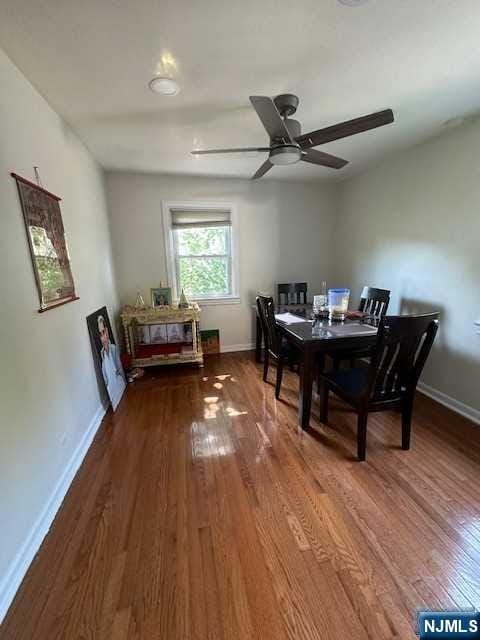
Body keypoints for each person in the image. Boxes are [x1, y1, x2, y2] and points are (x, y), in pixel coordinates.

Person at [97, 315, 126, 410]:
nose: (103, 337)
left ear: (107, 331)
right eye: (100, 334)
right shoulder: (102, 356)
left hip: (119, 384)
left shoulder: (113, 348)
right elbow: (106, 380)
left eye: (103, 332)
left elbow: (119, 370)